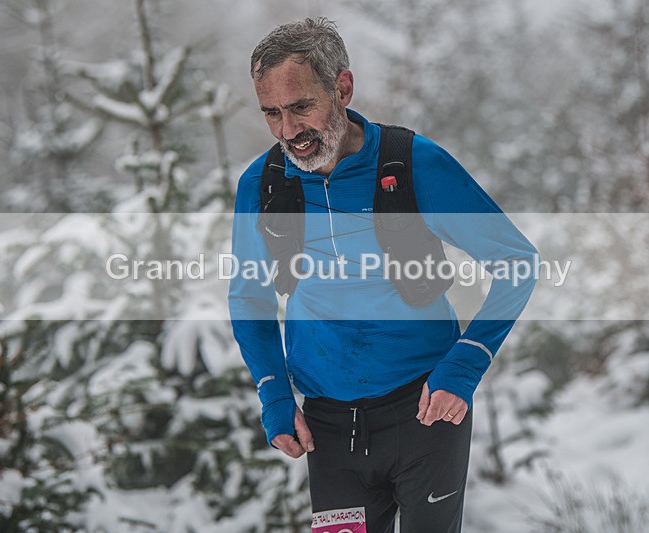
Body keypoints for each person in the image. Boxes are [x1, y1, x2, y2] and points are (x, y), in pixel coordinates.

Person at [229, 17, 538, 533]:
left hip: (425, 413)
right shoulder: (262, 185)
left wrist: (464, 365)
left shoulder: (415, 164)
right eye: (272, 113)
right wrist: (274, 393)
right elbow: (250, 301)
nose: (289, 132)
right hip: (328, 428)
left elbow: (517, 263)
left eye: (301, 106)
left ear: (342, 88)